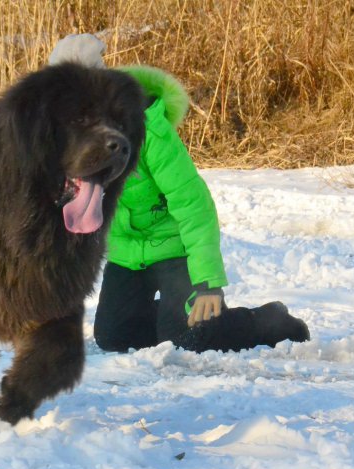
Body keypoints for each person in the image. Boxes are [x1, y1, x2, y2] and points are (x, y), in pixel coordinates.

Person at [48, 34, 310, 353]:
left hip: (175, 249)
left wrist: (207, 282)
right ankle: (173, 319)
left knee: (187, 340)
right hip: (127, 255)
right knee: (114, 339)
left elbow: (193, 204)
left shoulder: (148, 130)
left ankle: (266, 320)